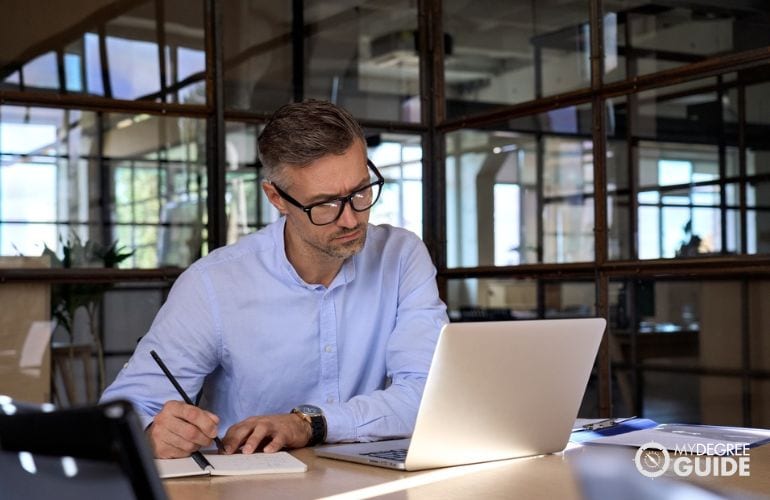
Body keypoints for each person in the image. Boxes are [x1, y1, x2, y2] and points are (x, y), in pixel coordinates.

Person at [100, 100, 448, 459]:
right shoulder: (214, 284)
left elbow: (428, 393)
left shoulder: (401, 255)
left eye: (360, 191)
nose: (350, 219)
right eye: (325, 204)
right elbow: (122, 411)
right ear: (276, 198)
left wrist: (308, 423)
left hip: (373, 482)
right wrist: (150, 431)